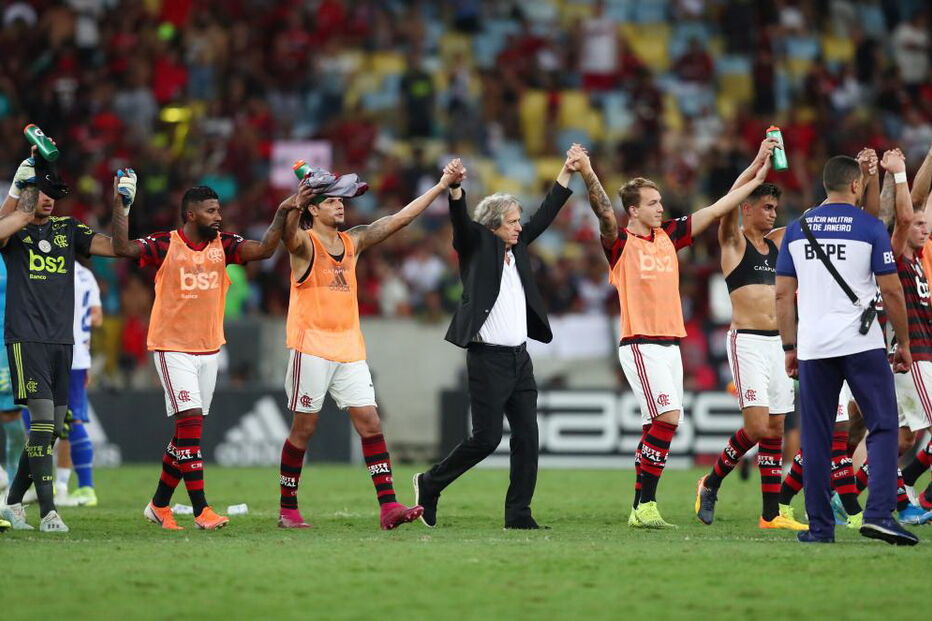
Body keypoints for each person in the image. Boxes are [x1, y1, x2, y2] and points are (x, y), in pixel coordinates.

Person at [591, 148, 771, 529]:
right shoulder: (620, 243)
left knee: (656, 426)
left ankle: (641, 508)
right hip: (640, 342)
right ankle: (646, 506)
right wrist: (589, 169)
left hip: (670, 344)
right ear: (634, 210)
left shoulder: (668, 236)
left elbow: (720, 207)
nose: (660, 208)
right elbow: (603, 212)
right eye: (652, 203)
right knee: (668, 419)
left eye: (660, 202)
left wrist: (755, 171)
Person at [278, 162, 460, 530]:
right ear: (314, 208)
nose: (341, 206)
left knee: (371, 424)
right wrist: (294, 203)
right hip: (310, 346)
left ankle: (389, 506)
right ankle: (287, 509)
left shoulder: (353, 241)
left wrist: (441, 186)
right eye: (332, 201)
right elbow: (286, 233)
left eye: (342, 201)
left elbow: (399, 219)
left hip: (349, 348)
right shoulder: (303, 244)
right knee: (304, 430)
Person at [111, 170, 293, 530]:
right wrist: (122, 206)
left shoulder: (223, 244)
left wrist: (284, 212)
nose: (219, 216)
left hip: (209, 349)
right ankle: (201, 510)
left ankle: (159, 506)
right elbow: (122, 248)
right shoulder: (166, 244)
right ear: (191, 215)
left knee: (186, 436)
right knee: (191, 425)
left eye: (218, 209)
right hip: (171, 347)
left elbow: (266, 249)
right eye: (211, 211)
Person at [413, 146, 582, 530]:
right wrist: (455, 189)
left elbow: (545, 214)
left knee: (527, 438)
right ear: (493, 226)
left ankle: (518, 514)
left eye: (518, 221)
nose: (519, 227)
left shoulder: (517, 247)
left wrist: (566, 171)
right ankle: (430, 482)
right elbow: (460, 222)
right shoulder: (476, 248)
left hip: (519, 359)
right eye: (512, 222)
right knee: (487, 439)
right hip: (487, 359)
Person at [775, 153, 918, 545]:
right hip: (861, 343)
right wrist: (902, 343)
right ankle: (878, 515)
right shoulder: (869, 227)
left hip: (813, 347)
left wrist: (789, 346)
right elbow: (890, 289)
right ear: (855, 185)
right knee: (884, 425)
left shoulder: (797, 228)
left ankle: (820, 528)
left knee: (817, 437)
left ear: (827, 185)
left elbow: (784, 295)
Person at [692, 138, 807, 530]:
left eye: (776, 207)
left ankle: (770, 514)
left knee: (776, 429)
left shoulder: (778, 244)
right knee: (758, 427)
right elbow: (728, 200)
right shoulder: (733, 240)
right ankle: (711, 481)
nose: (773, 214)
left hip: (780, 345)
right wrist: (759, 161)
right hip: (748, 343)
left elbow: (811, 223)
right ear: (747, 208)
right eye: (766, 206)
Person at [0, 150, 117, 532]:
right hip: (25, 338)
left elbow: (116, 247)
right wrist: (20, 190)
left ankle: (13, 501)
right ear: (29, 194)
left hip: (62, 342)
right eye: (41, 191)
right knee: (43, 422)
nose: (49, 198)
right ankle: (48, 510)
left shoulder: (68, 231)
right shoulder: (15, 234)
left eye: (53, 192)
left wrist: (121, 207)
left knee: (49, 432)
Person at [53, 258, 102, 507]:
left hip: (55, 352)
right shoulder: (86, 275)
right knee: (69, 421)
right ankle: (65, 484)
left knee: (62, 421)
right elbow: (96, 318)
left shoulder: (53, 270)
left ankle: (83, 486)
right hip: (79, 357)